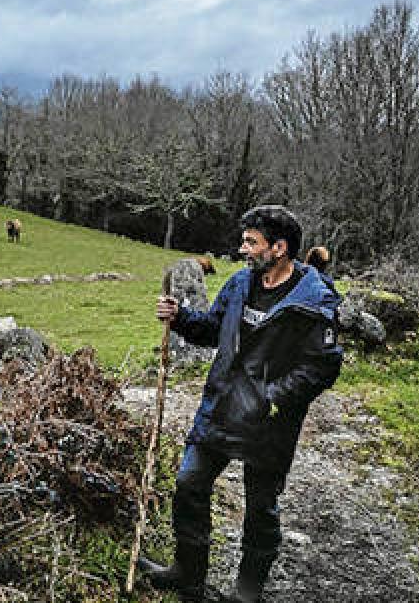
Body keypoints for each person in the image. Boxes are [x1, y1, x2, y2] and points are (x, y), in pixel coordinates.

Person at [139, 205, 342, 602]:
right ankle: (188, 574)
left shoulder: (314, 301)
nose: (242, 249)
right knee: (189, 484)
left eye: (251, 242)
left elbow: (322, 366)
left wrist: (272, 398)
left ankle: (247, 593)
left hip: (269, 422)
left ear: (279, 248)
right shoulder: (238, 284)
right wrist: (181, 317)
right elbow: (213, 329)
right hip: (221, 408)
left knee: (260, 509)